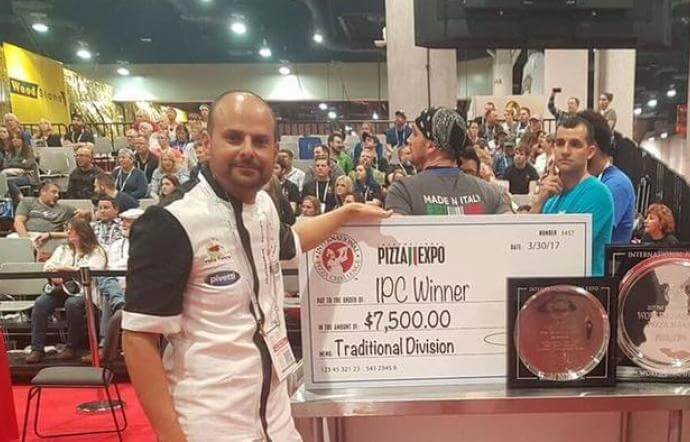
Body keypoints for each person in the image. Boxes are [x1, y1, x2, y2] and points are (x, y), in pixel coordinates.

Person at [121, 91, 389, 442]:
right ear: (207, 144)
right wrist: (170, 436)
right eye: (234, 138)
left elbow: (293, 240)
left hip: (277, 419)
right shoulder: (171, 221)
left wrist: (347, 213)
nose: (248, 150)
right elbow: (139, 337)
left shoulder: (262, 206)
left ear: (275, 151)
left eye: (260, 142)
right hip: (210, 424)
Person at [385, 107, 512, 216]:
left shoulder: (403, 192)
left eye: (415, 134)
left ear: (431, 146)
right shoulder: (491, 194)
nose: (409, 140)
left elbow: (397, 235)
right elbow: (514, 230)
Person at [530, 116, 614, 276]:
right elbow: (524, 242)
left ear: (590, 152)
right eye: (560, 143)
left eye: (575, 144)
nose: (565, 151)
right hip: (552, 286)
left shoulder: (597, 193)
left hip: (581, 289)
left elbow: (562, 254)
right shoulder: (551, 197)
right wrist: (540, 201)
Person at [25, 217, 107, 363]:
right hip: (62, 288)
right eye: (67, 229)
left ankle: (71, 347)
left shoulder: (97, 251)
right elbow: (49, 266)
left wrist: (68, 269)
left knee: (72, 304)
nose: (67, 232)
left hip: (84, 291)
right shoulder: (62, 249)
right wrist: (54, 275)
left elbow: (94, 270)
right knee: (40, 303)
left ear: (82, 232)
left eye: (71, 230)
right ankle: (37, 349)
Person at [580, 110, 635, 244]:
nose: (565, 152)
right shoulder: (586, 182)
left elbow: (581, 239)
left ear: (591, 149)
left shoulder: (616, 185)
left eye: (575, 144)